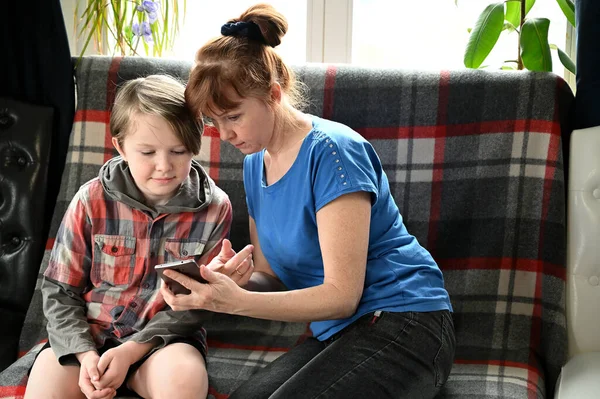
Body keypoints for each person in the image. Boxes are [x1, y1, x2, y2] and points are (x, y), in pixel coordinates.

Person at [163, 4, 456, 398]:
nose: (225, 134)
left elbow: (341, 295)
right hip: (341, 332)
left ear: (273, 94)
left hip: (407, 321)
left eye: (232, 116)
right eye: (214, 122)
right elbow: (274, 277)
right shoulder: (255, 165)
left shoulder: (333, 152)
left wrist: (237, 304)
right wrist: (231, 282)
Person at [25, 75, 251, 399]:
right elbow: (60, 290)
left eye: (178, 150)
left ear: (196, 144)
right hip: (90, 337)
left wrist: (131, 352)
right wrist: (87, 357)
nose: (164, 166)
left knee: (184, 383)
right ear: (120, 146)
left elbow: (198, 304)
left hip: (165, 342)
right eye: (147, 152)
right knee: (46, 386)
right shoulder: (91, 200)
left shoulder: (215, 208)